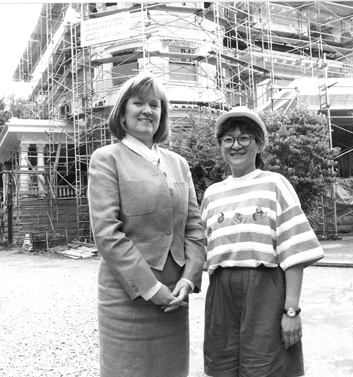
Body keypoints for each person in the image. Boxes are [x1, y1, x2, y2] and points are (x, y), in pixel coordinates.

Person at [88, 72, 205, 377]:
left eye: (155, 104)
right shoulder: (106, 159)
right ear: (123, 113)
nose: (147, 110)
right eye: (138, 102)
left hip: (174, 296)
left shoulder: (178, 163)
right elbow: (106, 233)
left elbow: (194, 226)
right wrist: (151, 288)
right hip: (127, 298)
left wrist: (189, 279)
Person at [201, 106, 325, 377]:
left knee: (265, 368)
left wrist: (291, 311)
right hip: (220, 293)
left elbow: (294, 252)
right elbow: (201, 249)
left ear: (259, 143)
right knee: (222, 368)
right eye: (228, 139)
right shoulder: (212, 194)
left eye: (245, 137)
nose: (236, 145)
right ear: (221, 145)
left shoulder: (275, 185)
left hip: (264, 291)